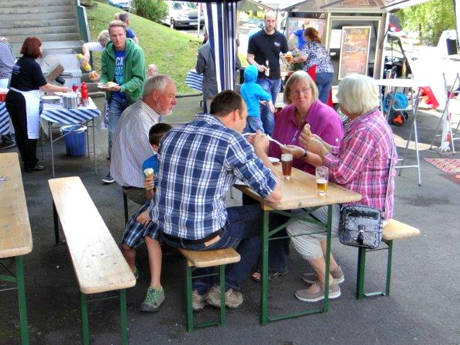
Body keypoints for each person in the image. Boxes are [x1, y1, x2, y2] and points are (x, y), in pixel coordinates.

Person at [150, 90, 281, 310]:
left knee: (211, 217)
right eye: (245, 116)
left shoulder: (173, 133)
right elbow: (274, 194)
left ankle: (199, 288)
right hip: (200, 236)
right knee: (267, 218)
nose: (245, 124)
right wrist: (259, 151)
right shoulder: (230, 140)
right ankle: (227, 288)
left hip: (166, 232)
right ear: (235, 113)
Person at [287, 74, 397, 303]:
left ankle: (327, 284)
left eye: (342, 97)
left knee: (297, 228)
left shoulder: (365, 130)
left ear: (353, 100)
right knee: (303, 212)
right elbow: (345, 157)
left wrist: (316, 152)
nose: (339, 101)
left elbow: (342, 173)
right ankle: (334, 270)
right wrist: (322, 145)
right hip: (359, 205)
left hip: (363, 215)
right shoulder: (369, 120)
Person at [251, 70, 343, 282]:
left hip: (317, 184)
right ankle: (264, 254)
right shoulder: (285, 114)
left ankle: (275, 263)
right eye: (295, 92)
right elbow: (275, 149)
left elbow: (332, 162)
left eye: (305, 90)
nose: (301, 95)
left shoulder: (327, 116)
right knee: (254, 196)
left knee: (275, 208)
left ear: (313, 90)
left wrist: (301, 153)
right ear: (289, 95)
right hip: (290, 177)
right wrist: (261, 146)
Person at [120, 122, 172, 313]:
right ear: (154, 147)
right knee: (126, 243)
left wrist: (150, 211)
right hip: (151, 205)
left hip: (165, 210)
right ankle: (131, 269)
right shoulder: (149, 164)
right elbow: (150, 198)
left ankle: (155, 288)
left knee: (151, 235)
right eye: (164, 144)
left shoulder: (177, 161)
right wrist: (149, 188)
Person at [5, 37, 71, 172]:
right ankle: (30, 163)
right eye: (40, 46)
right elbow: (44, 86)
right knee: (28, 132)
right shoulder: (32, 64)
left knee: (20, 132)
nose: (41, 49)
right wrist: (64, 89)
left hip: (12, 97)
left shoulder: (19, 61)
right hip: (23, 100)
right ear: (35, 48)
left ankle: (26, 160)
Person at [110, 75, 176, 204]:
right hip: (138, 186)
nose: (175, 102)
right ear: (156, 95)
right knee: (190, 196)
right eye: (171, 96)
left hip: (140, 180)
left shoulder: (142, 111)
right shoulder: (139, 119)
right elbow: (154, 163)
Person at [100, 19, 145, 184]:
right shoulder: (107, 51)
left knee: (136, 134)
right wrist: (104, 83)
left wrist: (122, 87)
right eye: (114, 36)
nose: (117, 39)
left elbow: (139, 79)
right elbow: (105, 73)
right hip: (115, 99)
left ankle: (139, 168)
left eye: (120, 35)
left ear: (125, 34)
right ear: (109, 37)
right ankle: (114, 170)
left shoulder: (136, 52)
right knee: (113, 133)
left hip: (133, 98)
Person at [247, 11, 288, 135]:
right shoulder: (255, 37)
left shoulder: (281, 37)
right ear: (264, 21)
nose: (270, 24)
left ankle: (263, 133)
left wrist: (286, 59)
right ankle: (269, 136)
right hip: (262, 77)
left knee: (271, 105)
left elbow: (285, 55)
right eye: (268, 21)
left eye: (273, 21)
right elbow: (249, 57)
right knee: (268, 108)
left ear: (276, 22)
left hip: (276, 77)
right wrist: (257, 66)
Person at [295, 27, 334, 104]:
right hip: (330, 73)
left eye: (304, 36)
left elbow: (303, 58)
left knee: (314, 99)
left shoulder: (309, 45)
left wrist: (294, 60)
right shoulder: (321, 45)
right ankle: (322, 115)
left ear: (307, 36)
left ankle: (314, 115)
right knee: (323, 102)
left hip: (318, 73)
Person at [240, 64, 274, 133]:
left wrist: (259, 102)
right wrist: (270, 104)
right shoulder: (256, 87)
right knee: (259, 130)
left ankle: (247, 142)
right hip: (254, 113)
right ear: (255, 76)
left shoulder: (242, 87)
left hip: (245, 113)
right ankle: (262, 142)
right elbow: (266, 96)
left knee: (246, 131)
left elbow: (248, 98)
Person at [0, 36, 17, 149]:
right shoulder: (5, 43)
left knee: (3, 109)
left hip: (3, 80)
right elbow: (14, 61)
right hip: (10, 78)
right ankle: (8, 135)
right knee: (6, 108)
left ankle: (7, 137)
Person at [195, 40, 216, 114]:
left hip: (211, 90)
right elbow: (238, 65)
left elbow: (199, 70)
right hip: (226, 89)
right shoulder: (228, 47)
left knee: (211, 117)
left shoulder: (203, 50)